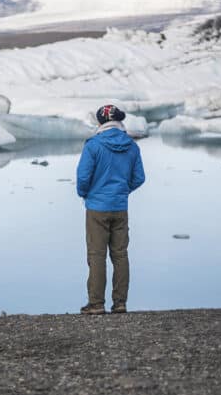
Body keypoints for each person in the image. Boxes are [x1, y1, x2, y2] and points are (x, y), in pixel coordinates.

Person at [76, 105, 145, 315]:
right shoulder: (131, 146)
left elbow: (83, 178)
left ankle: (96, 304)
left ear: (100, 123)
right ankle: (120, 303)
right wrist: (121, 192)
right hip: (120, 207)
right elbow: (139, 178)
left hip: (97, 208)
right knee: (120, 255)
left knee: (97, 255)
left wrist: (86, 194)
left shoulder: (93, 145)